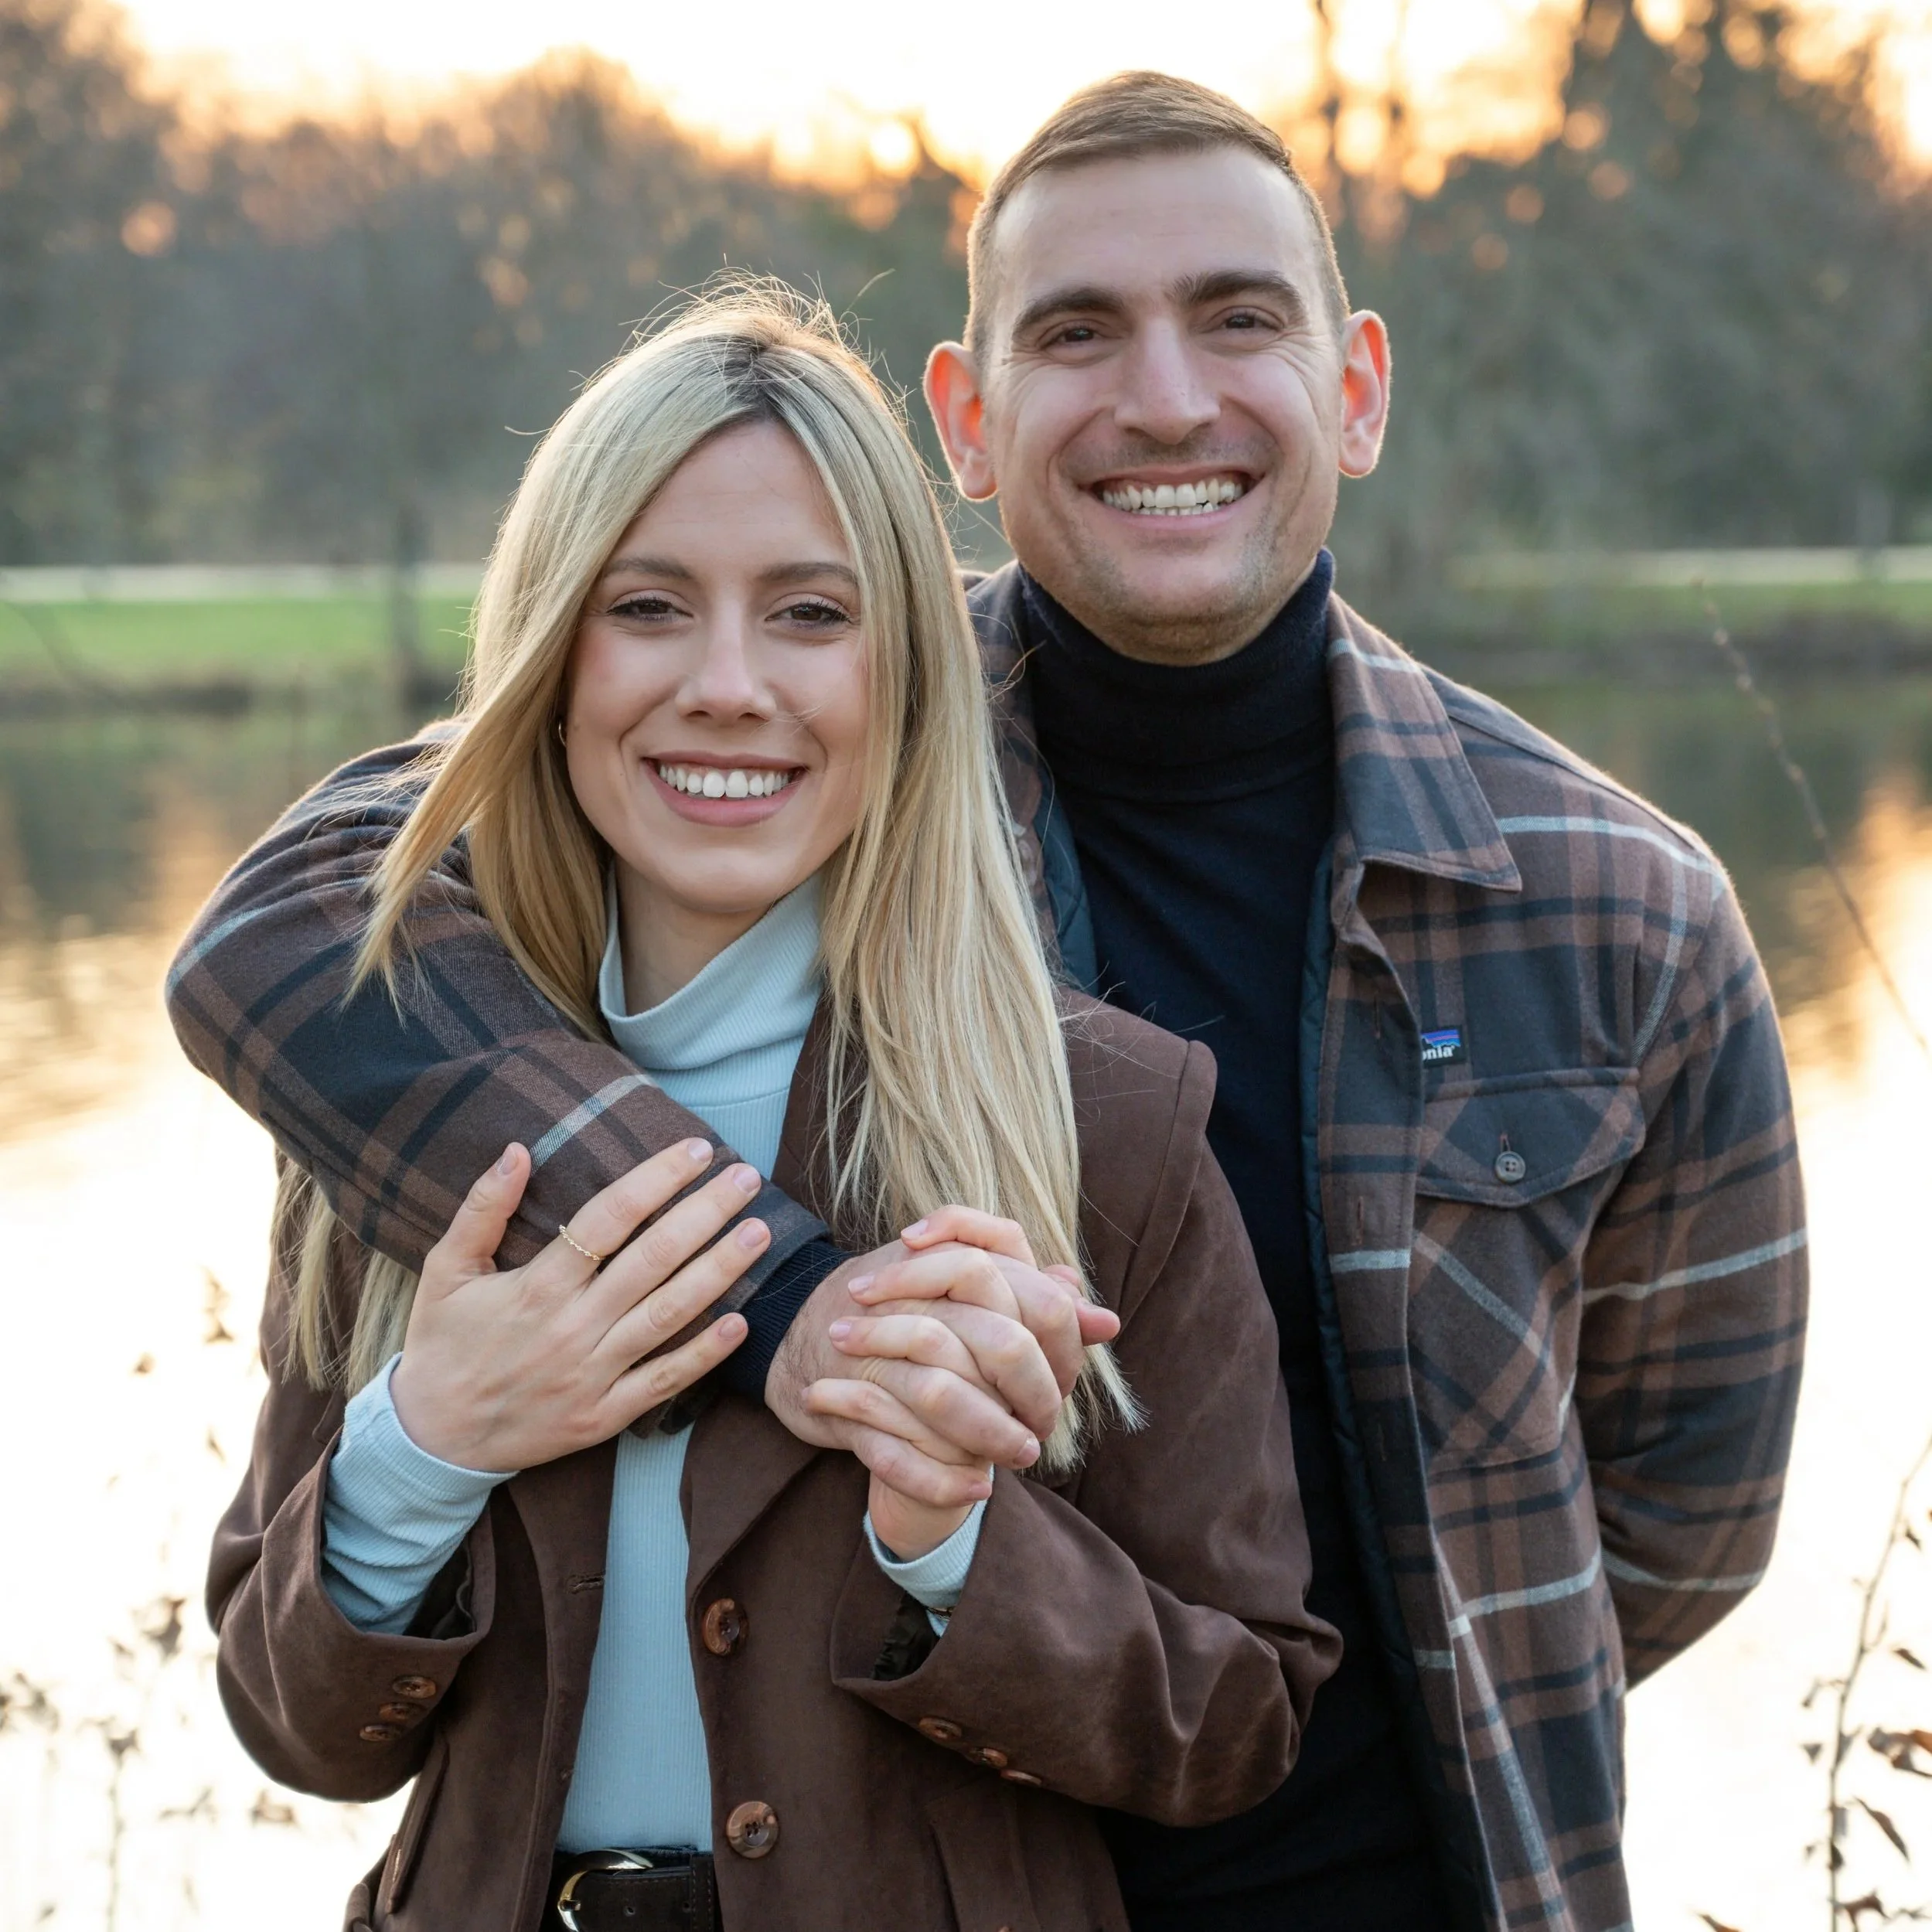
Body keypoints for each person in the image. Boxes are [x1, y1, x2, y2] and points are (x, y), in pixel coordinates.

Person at [169, 73, 1809, 1932]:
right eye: (1079, 330)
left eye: (1238, 318)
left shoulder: (1623, 911)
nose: (1169, 398)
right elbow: (301, 923)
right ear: (966, 416)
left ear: (1356, 387)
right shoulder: (798, 701)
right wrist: (766, 1300)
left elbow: (1671, 1527)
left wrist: (1007, 1583)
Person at [201, 291, 1339, 1932]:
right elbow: (293, 1722)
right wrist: (422, 1441)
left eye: (811, 613)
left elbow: (1237, 1721)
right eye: (649, 606)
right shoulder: (400, 1093)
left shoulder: (1106, 1115)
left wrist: (951, 1539)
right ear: (549, 651)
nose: (728, 685)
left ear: (904, 667)